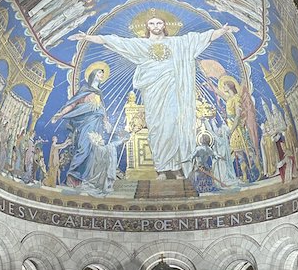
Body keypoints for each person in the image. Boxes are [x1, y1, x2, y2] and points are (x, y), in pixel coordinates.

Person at [70, 15, 237, 180]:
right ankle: (162, 169)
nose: (156, 25)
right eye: (152, 23)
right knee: (157, 129)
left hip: (173, 91)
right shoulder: (140, 45)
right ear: (147, 27)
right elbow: (115, 42)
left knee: (173, 126)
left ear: (164, 25)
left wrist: (222, 31)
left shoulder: (178, 43)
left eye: (159, 23)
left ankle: (177, 168)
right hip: (152, 93)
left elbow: (203, 37)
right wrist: (87, 37)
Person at [51, 63, 111, 188]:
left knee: (94, 151)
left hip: (96, 124)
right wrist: (60, 114)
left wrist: (106, 122)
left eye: (102, 73)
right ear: (93, 74)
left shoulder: (99, 93)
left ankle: (85, 179)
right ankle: (72, 176)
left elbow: (102, 108)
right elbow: (73, 104)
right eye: (99, 72)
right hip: (85, 123)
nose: (101, 75)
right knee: (84, 148)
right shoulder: (85, 89)